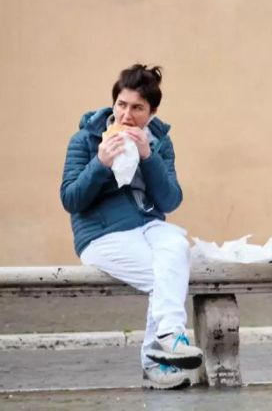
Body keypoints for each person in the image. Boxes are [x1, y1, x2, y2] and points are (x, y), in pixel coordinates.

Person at [60, 64, 202, 390]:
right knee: (163, 277)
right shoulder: (85, 139)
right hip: (100, 235)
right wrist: (100, 164)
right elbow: (70, 199)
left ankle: (168, 343)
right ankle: (161, 358)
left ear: (151, 113)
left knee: (177, 246)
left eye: (137, 108)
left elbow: (169, 201)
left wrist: (147, 156)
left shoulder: (160, 144)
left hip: (148, 226)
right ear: (114, 104)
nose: (127, 115)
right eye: (121, 105)